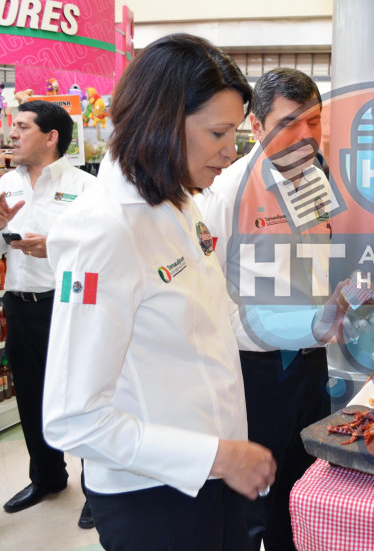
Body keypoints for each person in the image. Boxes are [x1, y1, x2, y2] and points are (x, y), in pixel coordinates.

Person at [41, 34, 276, 550]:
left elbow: (205, 328)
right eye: (218, 132)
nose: (229, 150)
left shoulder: (179, 202)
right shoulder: (105, 230)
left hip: (216, 478)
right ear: (164, 121)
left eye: (234, 132)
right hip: (155, 497)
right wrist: (218, 456)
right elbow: (72, 419)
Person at [195, 67, 343, 551]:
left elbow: (319, 260)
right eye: (288, 124)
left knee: (302, 491)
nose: (304, 137)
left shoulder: (316, 178)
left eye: (314, 121)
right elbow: (212, 300)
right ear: (256, 127)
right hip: (256, 372)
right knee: (253, 502)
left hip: (310, 363)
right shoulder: (227, 192)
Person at [0, 100, 96, 528]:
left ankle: (98, 489)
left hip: (66, 303)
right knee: (31, 397)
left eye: (22, 127)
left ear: (51, 137)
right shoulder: (7, 183)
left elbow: (99, 252)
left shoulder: (85, 187)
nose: (12, 135)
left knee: (82, 398)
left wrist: (55, 246)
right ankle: (47, 477)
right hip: (18, 304)